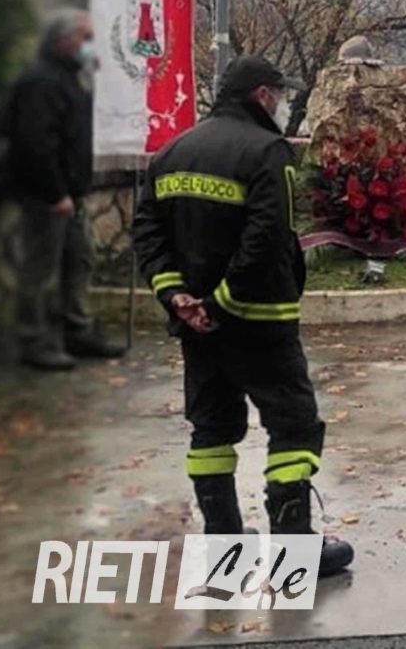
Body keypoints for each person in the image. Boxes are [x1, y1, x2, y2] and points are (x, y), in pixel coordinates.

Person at [132, 55, 353, 576]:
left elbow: (146, 230)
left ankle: (224, 544)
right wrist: (224, 302)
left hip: (196, 327)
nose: (281, 103)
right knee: (293, 428)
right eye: (279, 94)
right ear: (261, 95)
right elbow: (268, 237)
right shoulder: (267, 151)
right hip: (260, 321)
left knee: (211, 427)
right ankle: (294, 552)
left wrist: (177, 297)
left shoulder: (173, 152)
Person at [8, 8, 124, 369]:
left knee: (80, 259)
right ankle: (33, 340)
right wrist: (54, 192)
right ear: (62, 40)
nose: (90, 45)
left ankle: (78, 330)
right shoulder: (41, 82)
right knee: (41, 270)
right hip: (47, 196)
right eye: (84, 38)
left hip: (72, 192)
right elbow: (35, 143)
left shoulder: (71, 79)